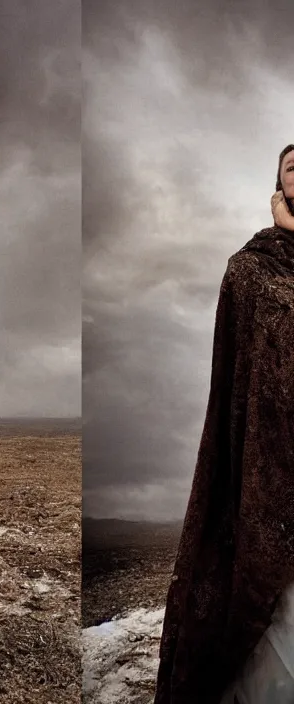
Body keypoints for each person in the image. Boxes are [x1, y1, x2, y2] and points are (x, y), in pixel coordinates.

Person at [154, 145, 294, 704]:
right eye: (293, 165)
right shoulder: (252, 270)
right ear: (277, 186)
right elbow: (237, 385)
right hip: (268, 466)